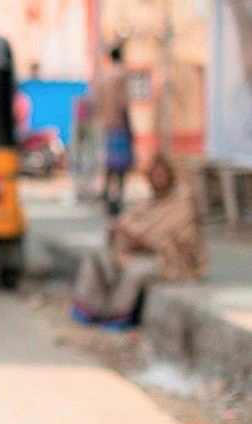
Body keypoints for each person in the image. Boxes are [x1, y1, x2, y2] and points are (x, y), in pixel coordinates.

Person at [71, 154, 209, 331]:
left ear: (169, 176)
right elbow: (125, 225)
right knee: (96, 260)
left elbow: (185, 240)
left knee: (137, 271)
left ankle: (117, 314)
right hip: (133, 253)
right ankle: (91, 310)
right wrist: (118, 233)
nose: (157, 179)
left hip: (168, 260)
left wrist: (148, 243)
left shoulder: (182, 204)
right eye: (154, 175)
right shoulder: (146, 203)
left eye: (161, 175)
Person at [91, 44, 133, 216]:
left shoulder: (105, 76)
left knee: (110, 166)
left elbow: (97, 103)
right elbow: (123, 103)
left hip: (107, 126)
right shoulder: (121, 74)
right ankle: (118, 199)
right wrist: (130, 126)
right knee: (122, 167)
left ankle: (107, 195)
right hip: (120, 125)